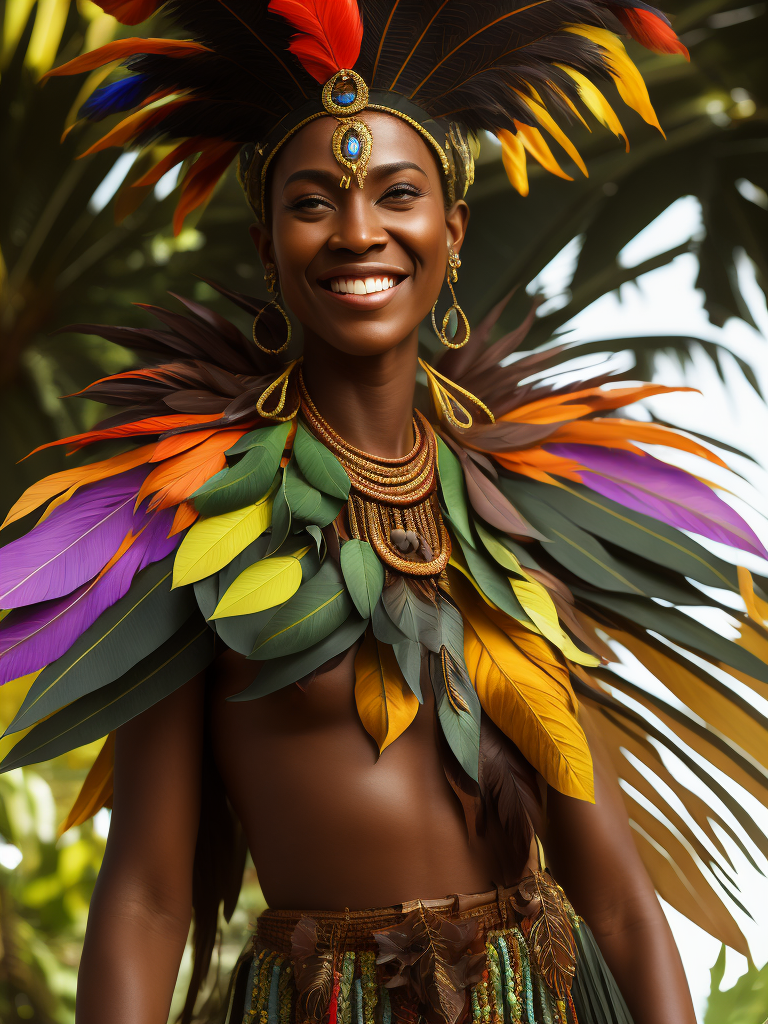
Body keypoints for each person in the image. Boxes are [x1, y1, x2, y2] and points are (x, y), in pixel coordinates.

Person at [1, 3, 765, 1024]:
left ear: (450, 231)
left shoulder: (524, 503)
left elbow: (616, 892)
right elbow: (146, 894)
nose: (359, 231)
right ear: (270, 245)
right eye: (313, 201)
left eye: (397, 196)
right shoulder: (188, 513)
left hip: (544, 995)